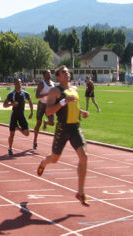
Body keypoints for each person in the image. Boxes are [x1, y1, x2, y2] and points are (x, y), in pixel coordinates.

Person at [36, 65, 90, 206]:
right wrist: (63, 101)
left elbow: (73, 107)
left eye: (68, 72)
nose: (67, 74)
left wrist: (81, 112)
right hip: (62, 128)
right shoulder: (55, 91)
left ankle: (80, 191)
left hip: (75, 127)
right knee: (54, 159)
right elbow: (48, 112)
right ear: (58, 77)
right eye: (64, 73)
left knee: (84, 157)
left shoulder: (74, 89)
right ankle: (43, 162)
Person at [3, 78, 33, 156]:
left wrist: (32, 112)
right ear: (14, 84)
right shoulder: (11, 94)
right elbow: (4, 105)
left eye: (20, 83)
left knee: (27, 133)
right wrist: (11, 104)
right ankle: (10, 148)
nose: (19, 84)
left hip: (21, 115)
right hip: (14, 115)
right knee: (12, 134)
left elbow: (30, 101)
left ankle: (18, 128)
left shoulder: (25, 93)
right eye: (17, 83)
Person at [33, 70, 55, 150]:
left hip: (49, 105)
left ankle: (46, 122)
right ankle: (35, 140)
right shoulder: (42, 84)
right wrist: (46, 94)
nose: (49, 75)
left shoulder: (53, 83)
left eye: (50, 73)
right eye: (47, 74)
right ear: (44, 75)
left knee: (52, 123)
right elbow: (37, 96)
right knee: (38, 123)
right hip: (42, 105)